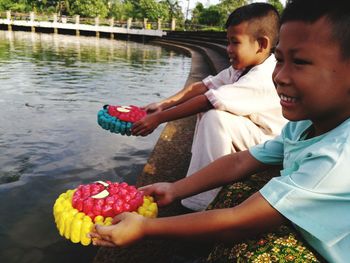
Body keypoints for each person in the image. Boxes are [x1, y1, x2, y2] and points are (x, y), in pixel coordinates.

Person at [90, 0, 350, 261]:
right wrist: (175, 188)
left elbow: (239, 221)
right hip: (307, 219)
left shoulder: (338, 156)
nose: (280, 76)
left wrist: (145, 228)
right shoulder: (304, 124)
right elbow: (241, 159)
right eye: (280, 59)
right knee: (236, 192)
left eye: (301, 62)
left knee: (258, 252)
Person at [133, 3, 287, 211]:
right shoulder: (244, 68)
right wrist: (162, 105)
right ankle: (200, 180)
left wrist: (159, 118)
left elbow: (207, 99)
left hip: (271, 144)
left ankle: (203, 202)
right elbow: (203, 85)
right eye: (228, 42)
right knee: (214, 112)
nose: (228, 50)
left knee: (216, 117)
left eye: (235, 43)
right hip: (254, 135)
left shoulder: (263, 77)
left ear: (261, 44)